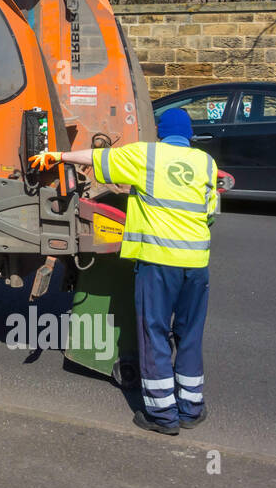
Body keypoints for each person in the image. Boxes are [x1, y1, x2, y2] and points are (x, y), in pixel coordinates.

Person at [29, 108, 217, 436]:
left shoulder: (148, 155)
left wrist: (58, 155)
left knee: (154, 332)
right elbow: (210, 211)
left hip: (160, 262)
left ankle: (162, 415)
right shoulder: (206, 163)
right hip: (197, 265)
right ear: (189, 135)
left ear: (160, 131)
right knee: (189, 334)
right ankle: (191, 407)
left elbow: (98, 158)